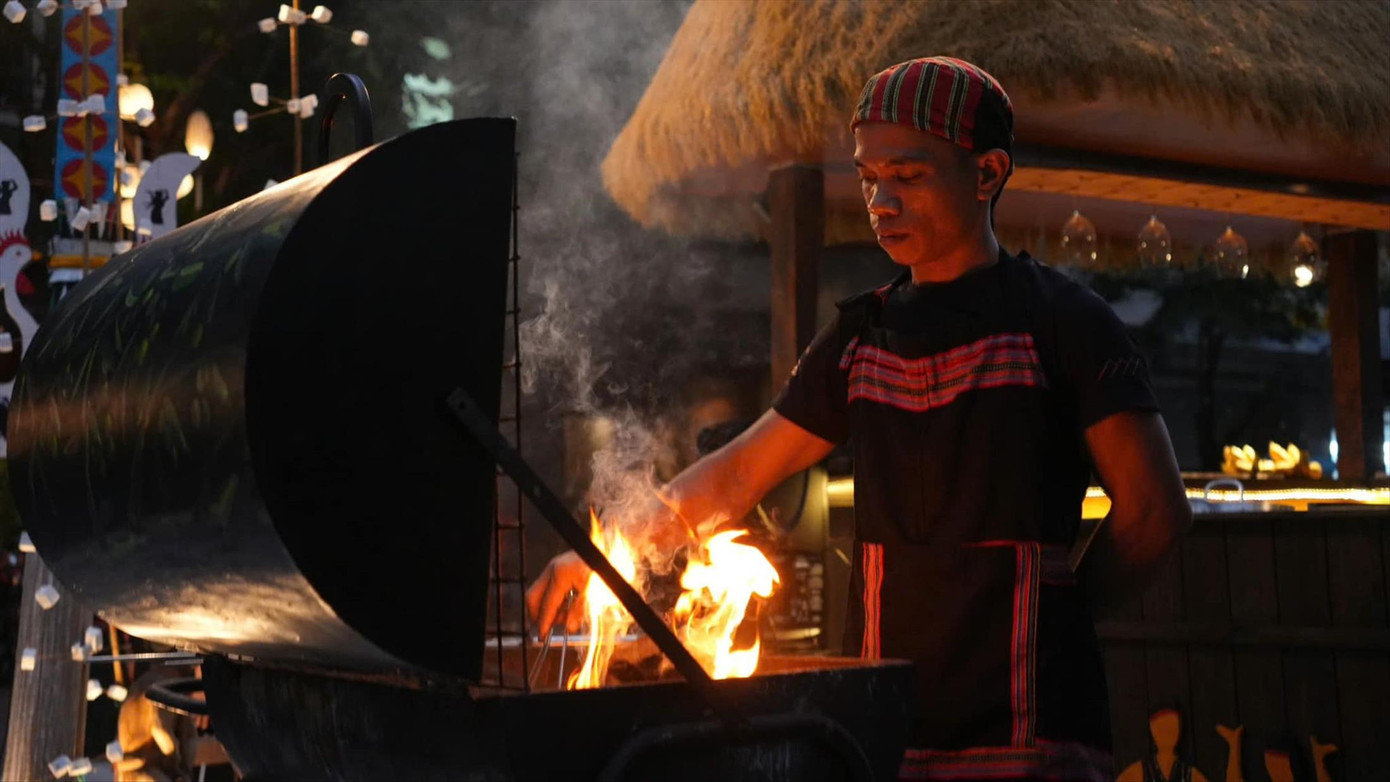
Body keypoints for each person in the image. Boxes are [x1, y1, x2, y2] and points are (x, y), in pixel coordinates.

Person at [527, 56, 1191, 781]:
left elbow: (1154, 512)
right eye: (870, 179)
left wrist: (1056, 622)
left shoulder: (1065, 323)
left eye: (907, 176)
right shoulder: (860, 338)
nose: (881, 202)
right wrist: (603, 554)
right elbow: (744, 471)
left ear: (987, 173)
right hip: (884, 726)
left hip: (1032, 736)